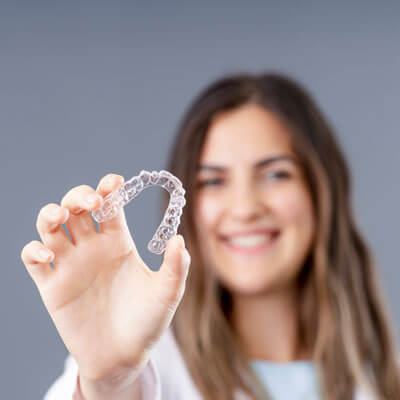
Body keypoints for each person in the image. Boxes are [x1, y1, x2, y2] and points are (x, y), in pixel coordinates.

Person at [21, 72, 400, 400]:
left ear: (322, 190)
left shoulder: (383, 376)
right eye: (213, 181)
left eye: (275, 174)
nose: (245, 207)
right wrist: (109, 384)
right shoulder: (144, 371)